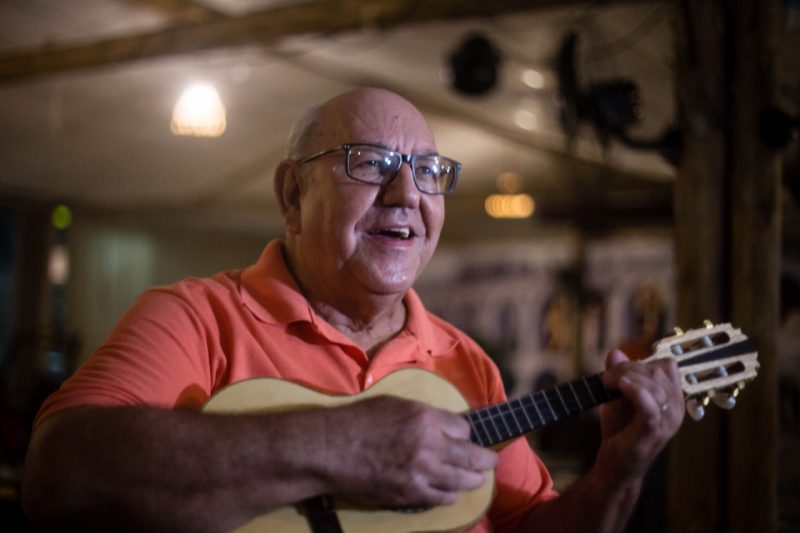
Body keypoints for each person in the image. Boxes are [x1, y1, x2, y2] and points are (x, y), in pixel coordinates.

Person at [21, 87, 684, 532]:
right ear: (292, 194)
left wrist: (618, 470)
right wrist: (344, 444)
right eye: (370, 162)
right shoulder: (194, 317)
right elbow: (60, 472)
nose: (405, 193)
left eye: (429, 172)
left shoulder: (467, 364)